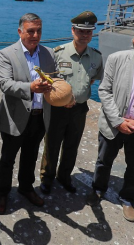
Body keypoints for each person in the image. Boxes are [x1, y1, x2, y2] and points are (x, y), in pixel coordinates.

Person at [0, 13, 56, 214]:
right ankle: (2, 192)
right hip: (15, 117)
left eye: (38, 31)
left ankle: (26, 188)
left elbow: (56, 79)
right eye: (30, 31)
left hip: (39, 117)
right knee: (8, 158)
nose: (35, 35)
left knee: (30, 157)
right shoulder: (7, 53)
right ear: (20, 31)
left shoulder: (49, 54)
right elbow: (4, 83)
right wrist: (30, 87)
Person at [39, 11, 103, 194]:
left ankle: (64, 176)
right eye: (81, 31)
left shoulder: (97, 57)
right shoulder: (58, 54)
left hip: (79, 109)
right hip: (57, 109)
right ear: (73, 30)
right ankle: (47, 178)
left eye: (89, 32)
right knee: (52, 145)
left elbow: (92, 80)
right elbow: (48, 81)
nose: (85, 35)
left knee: (72, 145)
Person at [86, 38, 134, 222]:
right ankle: (98, 189)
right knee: (103, 160)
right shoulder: (116, 58)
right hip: (113, 124)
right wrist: (118, 121)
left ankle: (128, 198)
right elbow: (105, 91)